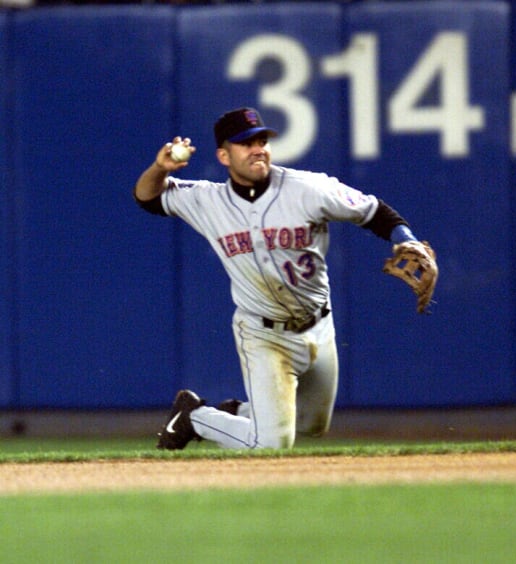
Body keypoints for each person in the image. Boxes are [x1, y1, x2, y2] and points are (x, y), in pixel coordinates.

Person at [134, 107, 436, 450]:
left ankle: (235, 412)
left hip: (318, 327)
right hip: (262, 334)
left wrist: (406, 239)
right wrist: (160, 168)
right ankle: (195, 417)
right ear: (223, 155)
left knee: (312, 424)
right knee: (271, 444)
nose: (258, 148)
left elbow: (373, 211)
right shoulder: (206, 200)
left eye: (262, 140)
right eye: (245, 143)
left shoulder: (308, 188)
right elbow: (148, 197)